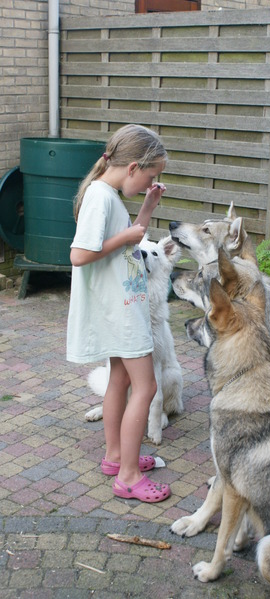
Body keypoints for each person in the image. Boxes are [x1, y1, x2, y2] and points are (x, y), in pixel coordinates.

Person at [67, 124, 171, 503]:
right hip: (121, 313)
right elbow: (79, 255)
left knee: (120, 382)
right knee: (146, 387)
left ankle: (115, 457)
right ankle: (128, 477)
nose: (149, 182)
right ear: (131, 167)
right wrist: (127, 237)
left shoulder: (108, 194)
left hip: (120, 307)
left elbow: (125, 241)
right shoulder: (101, 197)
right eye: (149, 175)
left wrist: (147, 208)